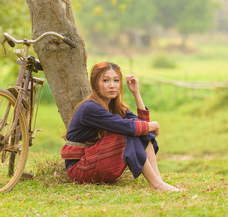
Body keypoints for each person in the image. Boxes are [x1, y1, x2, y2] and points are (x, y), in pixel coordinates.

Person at [61, 62, 181, 191]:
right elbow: (132, 128)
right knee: (129, 130)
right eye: (105, 80)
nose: (112, 85)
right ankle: (156, 184)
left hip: (94, 160)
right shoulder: (90, 108)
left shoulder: (113, 106)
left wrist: (136, 93)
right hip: (79, 169)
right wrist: (155, 125)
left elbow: (142, 126)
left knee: (136, 129)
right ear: (95, 84)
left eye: (116, 80)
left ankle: (157, 181)